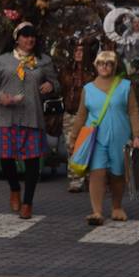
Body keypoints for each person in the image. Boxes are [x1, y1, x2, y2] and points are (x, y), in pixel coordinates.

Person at [0, 21, 58, 219]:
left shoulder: (43, 61)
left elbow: (56, 82)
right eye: (25, 36)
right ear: (17, 38)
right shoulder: (3, 60)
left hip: (33, 117)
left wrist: (51, 86)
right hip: (8, 117)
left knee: (32, 161)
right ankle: (14, 188)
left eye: (32, 36)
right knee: (6, 159)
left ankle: (27, 203)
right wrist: (1, 97)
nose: (29, 39)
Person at [70, 50, 139, 225]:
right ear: (96, 66)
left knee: (118, 173)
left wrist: (137, 135)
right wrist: (73, 138)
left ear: (114, 66)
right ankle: (97, 212)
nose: (104, 67)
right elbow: (81, 115)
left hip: (120, 137)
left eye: (108, 63)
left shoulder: (125, 86)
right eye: (101, 63)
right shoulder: (88, 89)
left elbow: (133, 111)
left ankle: (117, 207)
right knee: (97, 173)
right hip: (96, 139)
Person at [58, 38, 98, 193]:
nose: (78, 53)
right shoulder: (67, 70)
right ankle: (76, 179)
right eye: (76, 50)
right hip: (71, 113)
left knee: (90, 146)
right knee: (72, 145)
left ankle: (90, 177)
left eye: (82, 51)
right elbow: (61, 87)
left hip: (90, 115)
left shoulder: (94, 71)